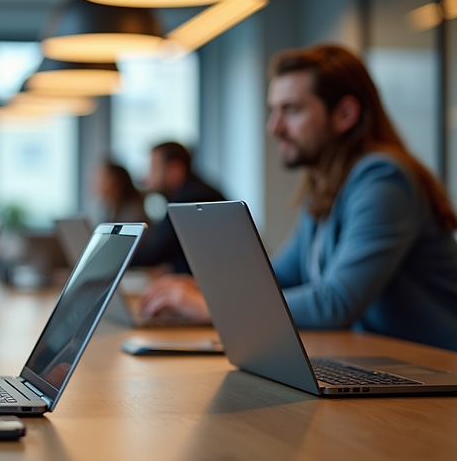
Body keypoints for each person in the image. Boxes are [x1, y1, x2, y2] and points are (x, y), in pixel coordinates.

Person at [141, 45, 457, 351]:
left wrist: (216, 307)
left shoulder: (383, 180)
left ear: (345, 114)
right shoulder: (327, 186)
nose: (274, 127)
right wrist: (210, 288)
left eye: (291, 110)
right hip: (380, 361)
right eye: (274, 110)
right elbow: (279, 277)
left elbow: (336, 303)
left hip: (438, 368)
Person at [131, 142, 225, 274]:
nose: (147, 177)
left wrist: (117, 259)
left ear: (175, 170)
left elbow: (155, 251)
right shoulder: (191, 191)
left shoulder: (191, 198)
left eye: (153, 168)